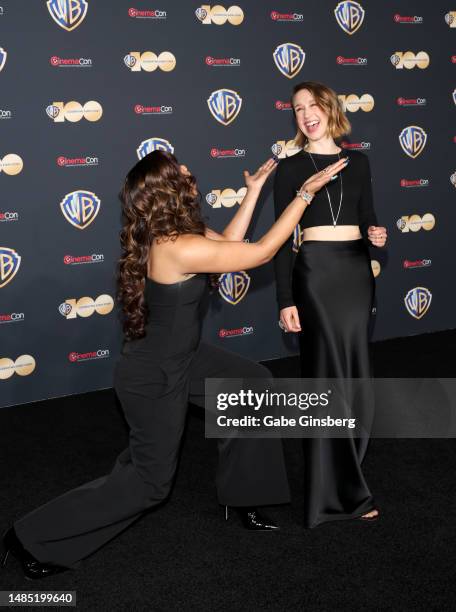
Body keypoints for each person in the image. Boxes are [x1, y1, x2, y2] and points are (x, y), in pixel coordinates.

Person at [2, 150, 348, 579]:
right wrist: (303, 195)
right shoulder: (174, 247)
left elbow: (230, 246)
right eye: (178, 169)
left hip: (184, 357)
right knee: (149, 483)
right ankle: (30, 536)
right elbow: (258, 254)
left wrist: (254, 191)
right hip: (154, 375)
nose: (189, 170)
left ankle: (242, 495)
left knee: (252, 382)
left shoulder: (176, 232)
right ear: (167, 189)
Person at [273, 81, 387, 529]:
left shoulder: (358, 161)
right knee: (326, 379)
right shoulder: (290, 168)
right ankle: (334, 495)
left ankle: (351, 473)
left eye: (313, 105)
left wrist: (376, 234)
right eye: (297, 109)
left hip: (356, 274)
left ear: (329, 109)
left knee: (356, 375)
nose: (305, 114)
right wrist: (285, 299)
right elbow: (282, 242)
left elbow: (368, 216)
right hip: (316, 274)